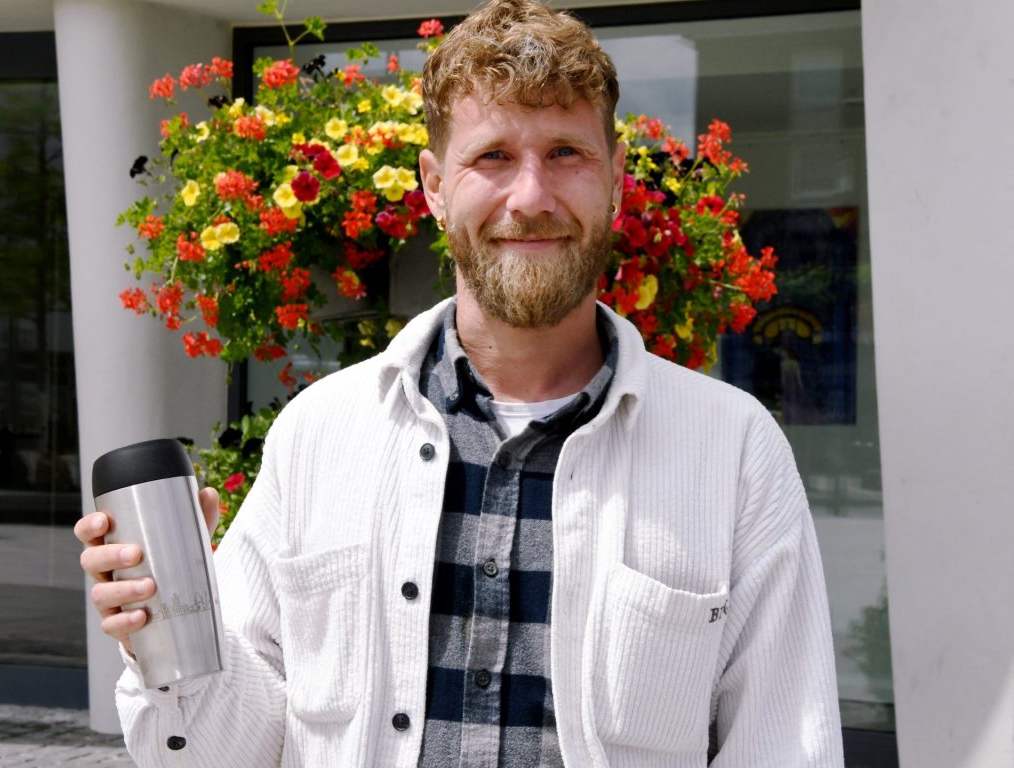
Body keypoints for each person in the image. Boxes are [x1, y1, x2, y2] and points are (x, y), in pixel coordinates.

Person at [75, 1, 844, 765]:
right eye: (494, 157)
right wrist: (169, 636)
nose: (532, 197)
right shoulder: (320, 434)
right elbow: (225, 751)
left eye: (567, 154)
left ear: (614, 182)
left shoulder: (732, 451)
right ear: (435, 186)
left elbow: (785, 745)